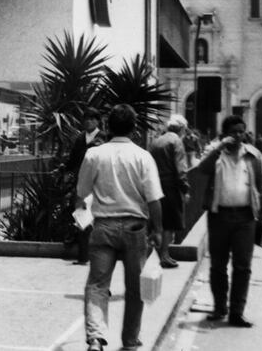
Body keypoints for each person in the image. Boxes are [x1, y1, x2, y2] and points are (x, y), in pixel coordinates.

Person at [75, 103, 164, 351]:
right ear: (134, 128)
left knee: (97, 284)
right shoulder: (143, 157)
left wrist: (82, 218)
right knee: (135, 288)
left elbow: (81, 194)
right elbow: (154, 200)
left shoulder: (94, 155)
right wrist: (157, 230)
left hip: (103, 226)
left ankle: (95, 337)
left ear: (108, 126)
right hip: (136, 228)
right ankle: (130, 339)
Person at [195, 114, 262, 328]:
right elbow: (202, 169)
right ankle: (219, 307)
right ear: (225, 133)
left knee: (243, 266)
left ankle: (237, 312)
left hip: (246, 218)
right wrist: (219, 147)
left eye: (241, 131)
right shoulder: (215, 153)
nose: (238, 135)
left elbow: (261, 187)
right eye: (233, 132)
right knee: (218, 265)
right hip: (219, 216)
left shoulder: (253, 155)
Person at [65, 107, 106, 265]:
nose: (88, 122)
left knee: (99, 219)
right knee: (82, 217)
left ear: (98, 121)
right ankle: (83, 256)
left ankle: (99, 255)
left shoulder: (104, 138)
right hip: (82, 183)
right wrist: (65, 171)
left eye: (92, 119)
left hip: (99, 183)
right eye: (86, 119)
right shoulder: (80, 138)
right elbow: (73, 159)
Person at [148, 115, 190, 269]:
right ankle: (164, 255)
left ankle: (156, 254)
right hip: (171, 186)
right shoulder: (176, 141)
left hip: (154, 185)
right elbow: (181, 169)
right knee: (170, 222)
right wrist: (185, 189)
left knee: (157, 220)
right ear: (181, 129)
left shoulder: (156, 141)